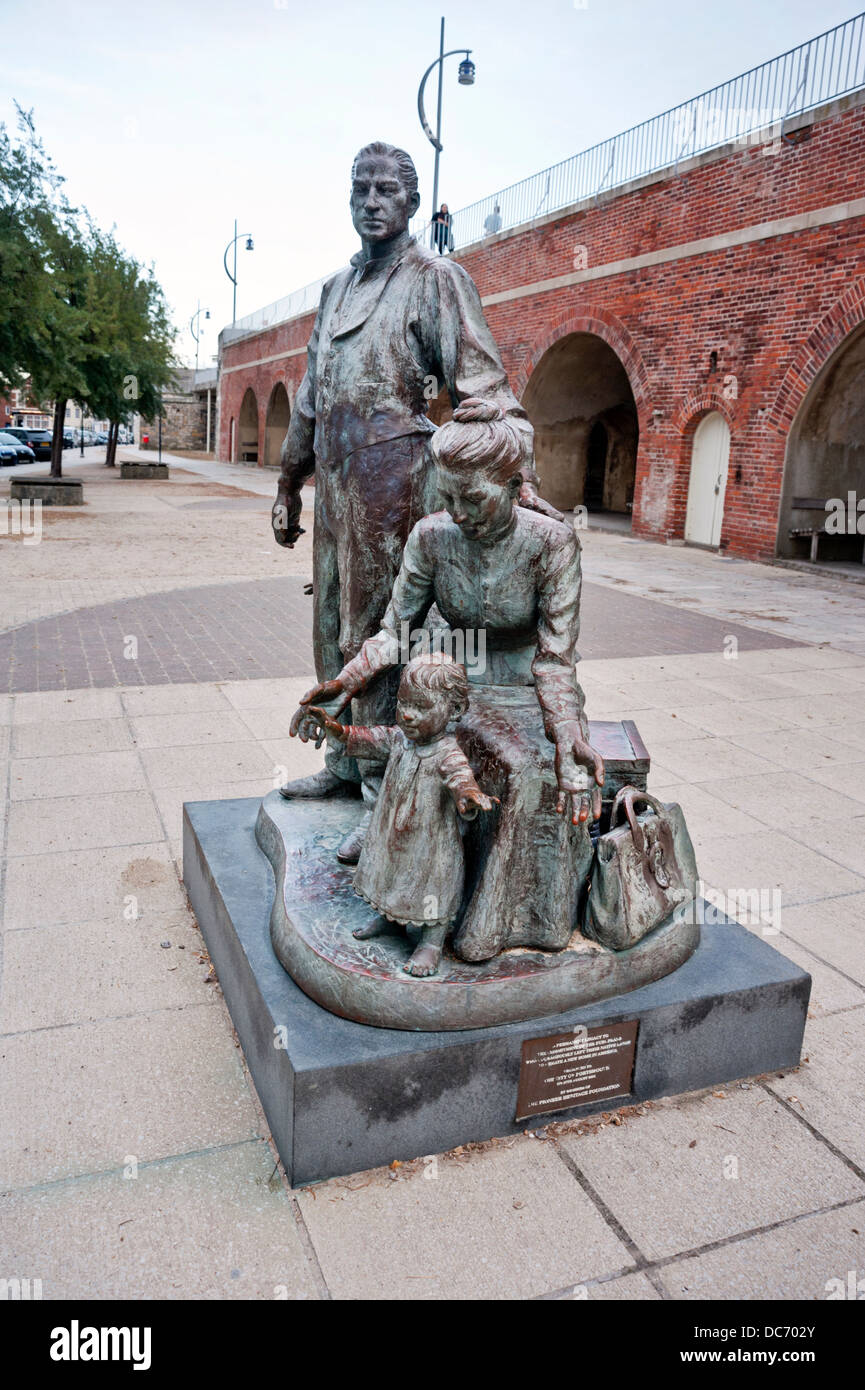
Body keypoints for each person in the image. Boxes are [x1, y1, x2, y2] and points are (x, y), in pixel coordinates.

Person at [271, 142, 554, 864]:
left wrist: (515, 477)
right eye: (360, 188)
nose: (371, 200)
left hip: (395, 477)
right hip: (336, 482)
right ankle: (341, 761)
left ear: (411, 202)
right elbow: (308, 396)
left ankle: (383, 795)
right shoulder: (336, 289)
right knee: (331, 618)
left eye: (386, 190)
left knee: (380, 633)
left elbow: (481, 382)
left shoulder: (435, 278)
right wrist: (286, 483)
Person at [290, 399, 605, 962]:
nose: (458, 512)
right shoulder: (431, 537)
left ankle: (508, 923)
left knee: (531, 771)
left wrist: (565, 733)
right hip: (451, 673)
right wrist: (339, 689)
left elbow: (557, 662)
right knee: (418, 741)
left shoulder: (552, 544)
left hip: (527, 685)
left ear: (514, 484)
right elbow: (393, 633)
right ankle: (401, 875)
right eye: (448, 496)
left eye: (473, 497)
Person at [304, 652, 495, 977]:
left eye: (420, 708)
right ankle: (390, 919)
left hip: (430, 845)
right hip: (392, 834)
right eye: (403, 703)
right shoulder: (399, 739)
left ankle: (431, 943)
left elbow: (461, 777)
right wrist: (337, 730)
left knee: (431, 887)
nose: (407, 715)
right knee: (389, 875)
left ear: (455, 710)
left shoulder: (446, 752)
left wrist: (469, 795)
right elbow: (367, 738)